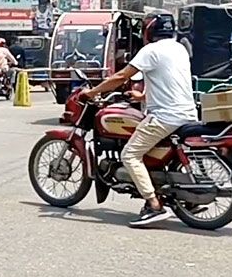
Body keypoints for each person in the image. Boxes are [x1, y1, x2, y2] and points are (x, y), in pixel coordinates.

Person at [80, 14, 197, 228]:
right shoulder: (179, 48)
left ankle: (154, 205)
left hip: (165, 116)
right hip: (187, 113)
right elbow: (168, 80)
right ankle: (182, 199)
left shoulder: (151, 51)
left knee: (130, 154)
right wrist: (142, 97)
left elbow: (121, 77)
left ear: (149, 30)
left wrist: (93, 92)